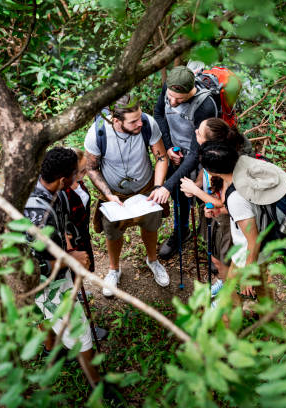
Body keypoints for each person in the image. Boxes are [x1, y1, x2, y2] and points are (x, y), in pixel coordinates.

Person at [23, 147, 100, 388]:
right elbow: (33, 266)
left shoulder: (53, 189)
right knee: (82, 334)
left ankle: (51, 348)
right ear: (63, 178)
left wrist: (67, 239)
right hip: (45, 280)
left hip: (57, 263)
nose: (81, 176)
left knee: (45, 315)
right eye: (78, 173)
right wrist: (71, 259)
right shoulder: (38, 216)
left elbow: (64, 220)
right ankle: (97, 385)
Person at [85, 94, 170, 296]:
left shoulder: (147, 123)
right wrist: (107, 194)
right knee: (113, 232)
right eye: (133, 121)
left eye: (140, 117)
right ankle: (114, 270)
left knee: (150, 226)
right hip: (113, 193)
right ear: (116, 121)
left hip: (146, 187)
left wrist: (158, 187)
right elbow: (91, 168)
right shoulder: (97, 133)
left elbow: (161, 157)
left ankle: (153, 260)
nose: (140, 123)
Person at [199, 142, 281, 306]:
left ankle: (233, 324)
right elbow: (249, 210)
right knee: (257, 290)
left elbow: (253, 240)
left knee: (242, 294)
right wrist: (221, 211)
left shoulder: (236, 196)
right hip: (258, 248)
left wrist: (248, 274)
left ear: (212, 172)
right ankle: (266, 319)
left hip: (250, 254)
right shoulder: (243, 170)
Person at [179, 118, 251, 297]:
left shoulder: (231, 167)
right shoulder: (213, 156)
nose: (195, 132)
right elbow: (206, 171)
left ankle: (229, 293)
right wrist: (197, 185)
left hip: (229, 220)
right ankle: (222, 281)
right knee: (215, 257)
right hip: (212, 210)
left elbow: (227, 202)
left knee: (225, 259)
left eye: (199, 133)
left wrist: (195, 191)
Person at [154, 65, 220, 259]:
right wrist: (167, 147)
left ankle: (212, 241)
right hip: (176, 151)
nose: (172, 102)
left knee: (204, 198)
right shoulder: (169, 87)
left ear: (190, 90)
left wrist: (166, 186)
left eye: (179, 99)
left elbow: (195, 153)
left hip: (200, 157)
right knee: (179, 196)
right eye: (170, 97)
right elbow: (159, 114)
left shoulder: (205, 106)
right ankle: (181, 233)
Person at [63, 148, 108, 340]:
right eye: (81, 171)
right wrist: (70, 250)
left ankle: (78, 290)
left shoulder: (78, 184)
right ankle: (84, 328)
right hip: (69, 247)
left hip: (82, 237)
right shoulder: (60, 194)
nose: (85, 174)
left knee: (80, 275)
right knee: (69, 284)